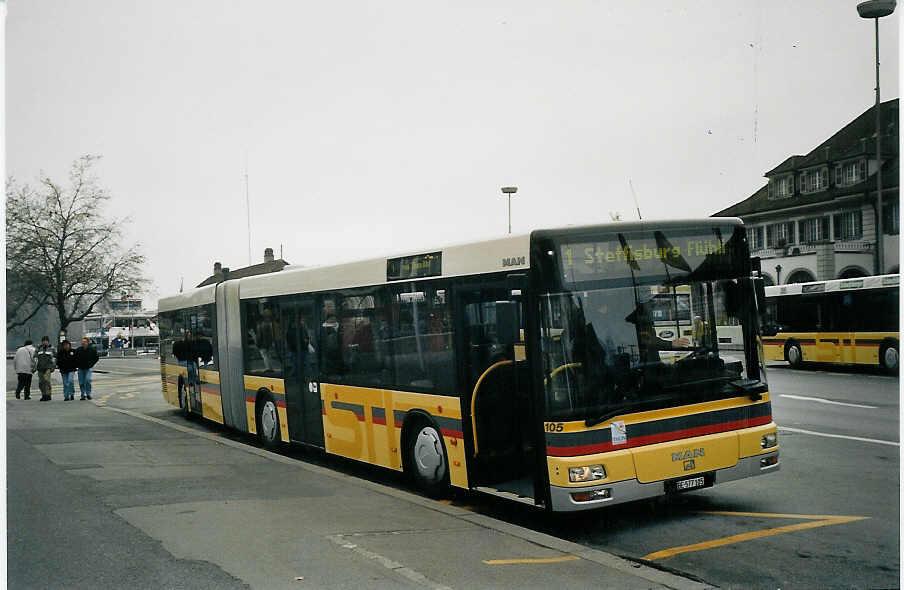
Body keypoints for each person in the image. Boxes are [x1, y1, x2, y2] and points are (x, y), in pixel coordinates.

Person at [35, 336, 56, 401]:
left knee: (47, 381)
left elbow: (54, 358)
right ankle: (43, 394)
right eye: (43, 341)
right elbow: (35, 358)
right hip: (40, 367)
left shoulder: (51, 348)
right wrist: (35, 366)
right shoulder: (38, 348)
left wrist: (53, 367)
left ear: (48, 341)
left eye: (46, 341)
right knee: (41, 382)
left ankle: (48, 395)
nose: (45, 342)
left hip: (48, 367)